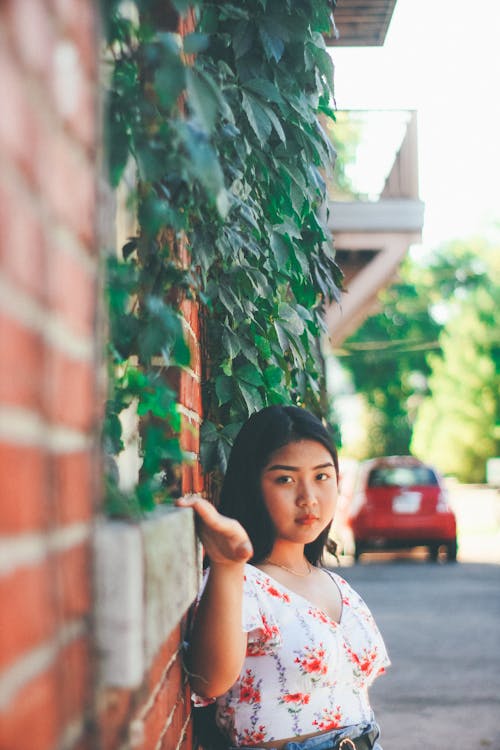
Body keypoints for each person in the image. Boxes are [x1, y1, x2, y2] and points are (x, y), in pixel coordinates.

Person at [177, 405, 390, 750]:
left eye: (322, 476)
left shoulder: (339, 586)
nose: (308, 498)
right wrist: (228, 565)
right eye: (285, 479)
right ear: (252, 486)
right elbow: (209, 682)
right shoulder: (242, 582)